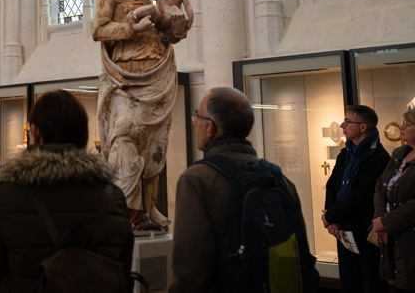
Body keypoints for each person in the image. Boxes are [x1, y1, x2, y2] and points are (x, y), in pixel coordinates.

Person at [0, 90, 134, 292]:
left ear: (35, 132)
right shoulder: (113, 196)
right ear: (83, 136)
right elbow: (123, 270)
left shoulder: (6, 195)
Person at [169, 87, 310, 292]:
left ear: (211, 128)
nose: (194, 122)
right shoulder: (280, 180)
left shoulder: (197, 180)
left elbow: (190, 271)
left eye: (197, 116)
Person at [93, 0, 188, 231]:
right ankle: (125, 211)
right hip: (127, 75)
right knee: (126, 136)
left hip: (155, 71)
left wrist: (174, 24)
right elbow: (99, 29)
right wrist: (132, 28)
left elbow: (163, 28)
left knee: (154, 143)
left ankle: (148, 207)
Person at [323, 105, 389, 293]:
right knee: (349, 282)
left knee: (371, 282)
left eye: (347, 121)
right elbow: (332, 185)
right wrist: (332, 219)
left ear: (363, 127)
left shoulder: (378, 157)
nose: (342, 125)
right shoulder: (346, 153)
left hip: (364, 230)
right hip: (343, 230)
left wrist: (331, 216)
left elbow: (363, 196)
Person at [372, 108, 415, 293]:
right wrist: (381, 220)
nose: (401, 127)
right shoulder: (400, 154)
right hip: (393, 238)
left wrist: (386, 222)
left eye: (407, 124)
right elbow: (380, 187)